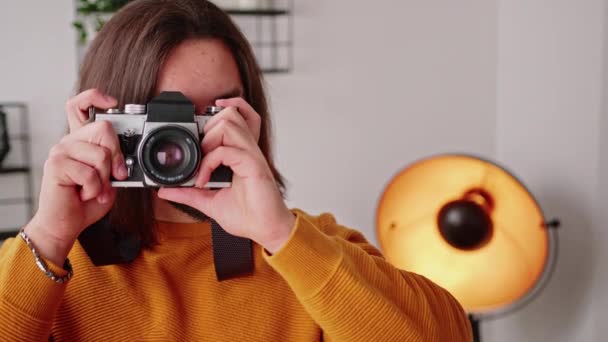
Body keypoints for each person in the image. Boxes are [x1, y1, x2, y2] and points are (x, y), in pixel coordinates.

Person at [0, 0, 472, 341]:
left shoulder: (304, 248)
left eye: (212, 115)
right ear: (107, 121)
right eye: (165, 116)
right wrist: (47, 237)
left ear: (249, 118)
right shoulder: (47, 266)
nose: (182, 142)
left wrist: (279, 233)